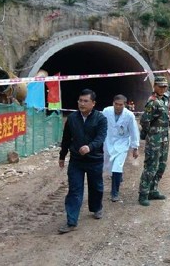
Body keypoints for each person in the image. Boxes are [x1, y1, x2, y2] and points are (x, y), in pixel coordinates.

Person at [58, 89, 108, 234]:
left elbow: (101, 137)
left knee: (96, 187)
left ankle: (96, 207)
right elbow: (66, 138)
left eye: (86, 101)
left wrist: (90, 147)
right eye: (80, 100)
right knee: (74, 190)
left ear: (93, 103)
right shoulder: (72, 118)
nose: (82, 104)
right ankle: (71, 221)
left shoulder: (100, 119)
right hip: (76, 161)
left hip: (95, 160)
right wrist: (62, 156)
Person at [138, 69, 170, 206]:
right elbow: (144, 121)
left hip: (164, 139)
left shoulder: (164, 98)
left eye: (164, 86)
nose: (163, 89)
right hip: (154, 139)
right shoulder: (152, 102)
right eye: (160, 86)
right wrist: (147, 134)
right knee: (151, 166)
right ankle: (143, 194)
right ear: (155, 87)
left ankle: (153, 190)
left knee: (161, 165)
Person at [102, 94, 139, 202]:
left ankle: (115, 193)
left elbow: (134, 131)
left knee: (117, 166)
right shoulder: (106, 111)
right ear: (113, 103)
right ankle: (117, 177)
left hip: (122, 143)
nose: (118, 107)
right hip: (108, 141)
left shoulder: (129, 115)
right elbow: (100, 125)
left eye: (120, 105)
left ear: (125, 105)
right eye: (116, 104)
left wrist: (135, 148)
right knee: (108, 166)